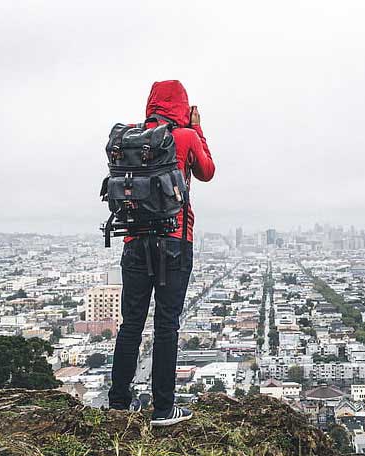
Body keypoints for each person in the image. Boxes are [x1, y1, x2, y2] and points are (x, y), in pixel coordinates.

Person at [108, 80, 215, 426]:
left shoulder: (133, 139)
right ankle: (164, 409)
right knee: (167, 325)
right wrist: (197, 128)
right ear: (182, 106)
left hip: (133, 242)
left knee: (131, 325)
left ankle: (119, 402)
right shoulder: (183, 137)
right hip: (174, 241)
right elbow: (207, 171)